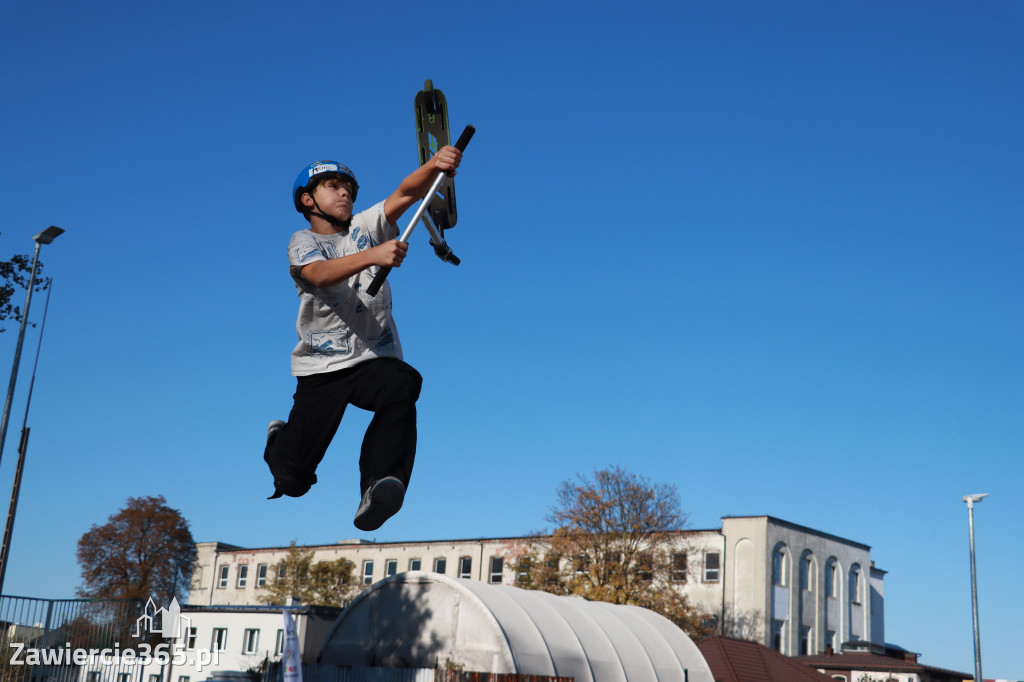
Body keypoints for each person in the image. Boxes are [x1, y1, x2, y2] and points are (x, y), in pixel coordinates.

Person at [265, 145, 462, 532]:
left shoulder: (365, 226)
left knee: (402, 385)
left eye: (349, 190)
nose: (345, 194)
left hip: (373, 358)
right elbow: (320, 274)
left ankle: (380, 483)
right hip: (323, 366)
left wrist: (435, 165)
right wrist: (373, 257)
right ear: (308, 200)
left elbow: (406, 193)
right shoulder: (303, 240)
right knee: (293, 480)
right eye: (333, 187)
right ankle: (279, 443)